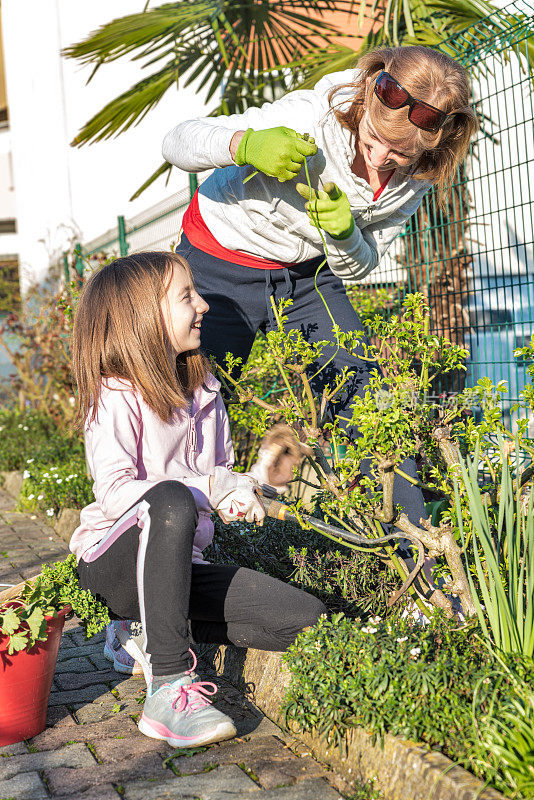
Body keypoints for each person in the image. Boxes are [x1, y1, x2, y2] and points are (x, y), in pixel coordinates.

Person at [161, 44, 478, 555]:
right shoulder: (311, 114)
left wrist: (346, 234)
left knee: (370, 400)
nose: (378, 162)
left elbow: (359, 265)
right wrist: (244, 144)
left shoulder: (418, 177)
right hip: (217, 261)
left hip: (308, 276)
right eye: (374, 140)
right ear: (367, 102)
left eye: (399, 155)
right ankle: (165, 561)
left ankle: (413, 561)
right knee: (187, 405)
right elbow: (175, 142)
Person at [69, 251, 326, 747]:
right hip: (114, 568)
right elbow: (117, 492)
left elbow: (217, 476)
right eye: (187, 296)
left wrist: (240, 489)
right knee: (170, 500)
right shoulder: (114, 393)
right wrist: (203, 490)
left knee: (306, 620)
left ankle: (156, 631)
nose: (203, 305)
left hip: (179, 567)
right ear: (141, 316)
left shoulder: (205, 389)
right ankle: (167, 687)